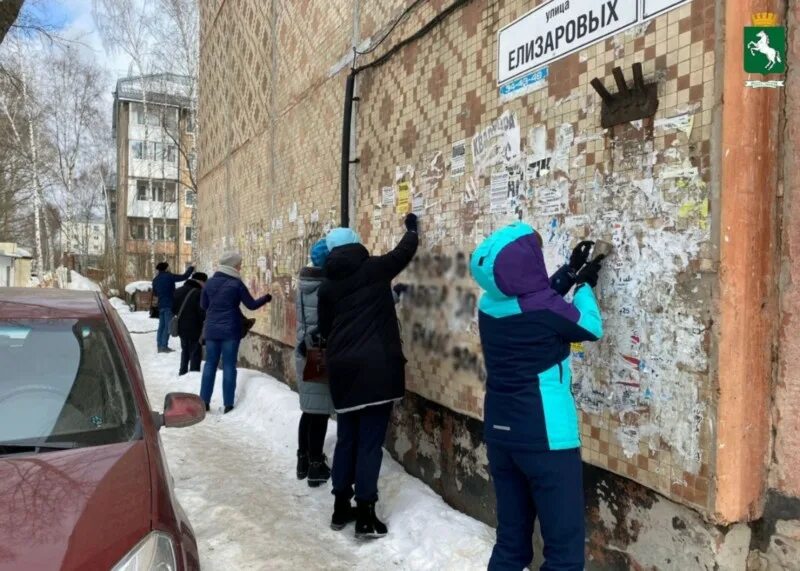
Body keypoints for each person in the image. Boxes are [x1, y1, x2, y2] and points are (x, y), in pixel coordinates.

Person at [469, 222, 604, 571]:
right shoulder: (543, 309)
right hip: (546, 439)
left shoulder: (489, 305)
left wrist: (570, 273)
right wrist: (586, 286)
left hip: (501, 435)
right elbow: (589, 326)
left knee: (511, 543)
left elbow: (536, 300)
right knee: (563, 553)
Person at [318, 213, 419, 539]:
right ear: (356, 244)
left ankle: (339, 508)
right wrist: (412, 229)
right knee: (370, 444)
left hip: (343, 371)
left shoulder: (327, 286)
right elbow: (403, 253)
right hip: (377, 369)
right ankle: (365, 514)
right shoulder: (374, 268)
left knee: (348, 438)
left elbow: (324, 329)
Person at [200, 252, 271, 413]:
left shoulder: (209, 283)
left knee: (210, 364)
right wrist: (266, 298)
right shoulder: (236, 284)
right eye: (239, 264)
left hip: (211, 330)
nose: (240, 267)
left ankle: (204, 401)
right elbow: (251, 305)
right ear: (232, 265)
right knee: (229, 365)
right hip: (230, 331)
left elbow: (203, 305)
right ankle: (228, 404)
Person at [295, 239, 335, 488]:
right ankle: (315, 466)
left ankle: (303, 460)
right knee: (318, 413)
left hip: (303, 351)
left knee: (309, 410)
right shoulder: (326, 288)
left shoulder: (303, 283)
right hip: (318, 353)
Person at [153, 260, 195, 353]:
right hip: (169, 305)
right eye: (168, 267)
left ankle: (159, 346)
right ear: (166, 268)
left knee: (161, 326)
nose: (170, 268)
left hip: (161, 306)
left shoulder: (155, 280)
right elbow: (184, 276)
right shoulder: (169, 276)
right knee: (168, 326)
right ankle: (164, 346)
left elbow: (155, 293)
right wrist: (191, 267)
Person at [172, 272, 208, 376]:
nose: (205, 285)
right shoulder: (199, 293)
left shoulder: (178, 290)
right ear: (200, 281)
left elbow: (173, 308)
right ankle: (193, 375)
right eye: (205, 282)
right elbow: (202, 312)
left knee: (185, 351)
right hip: (195, 327)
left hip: (181, 327)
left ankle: (182, 372)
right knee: (195, 353)